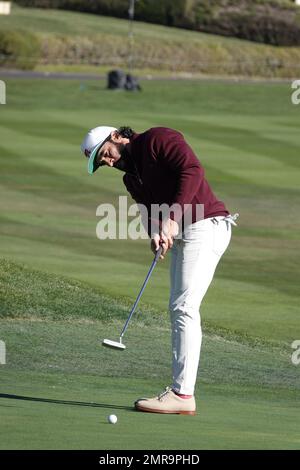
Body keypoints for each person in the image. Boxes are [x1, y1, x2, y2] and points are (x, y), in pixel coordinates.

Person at [81, 125, 238, 415]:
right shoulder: (132, 179)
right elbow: (149, 213)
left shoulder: (158, 138)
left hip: (206, 225)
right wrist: (155, 232)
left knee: (184, 306)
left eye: (107, 155)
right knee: (178, 307)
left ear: (117, 136)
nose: (110, 162)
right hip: (184, 232)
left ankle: (182, 395)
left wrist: (172, 219)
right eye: (103, 163)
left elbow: (192, 171)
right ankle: (181, 392)